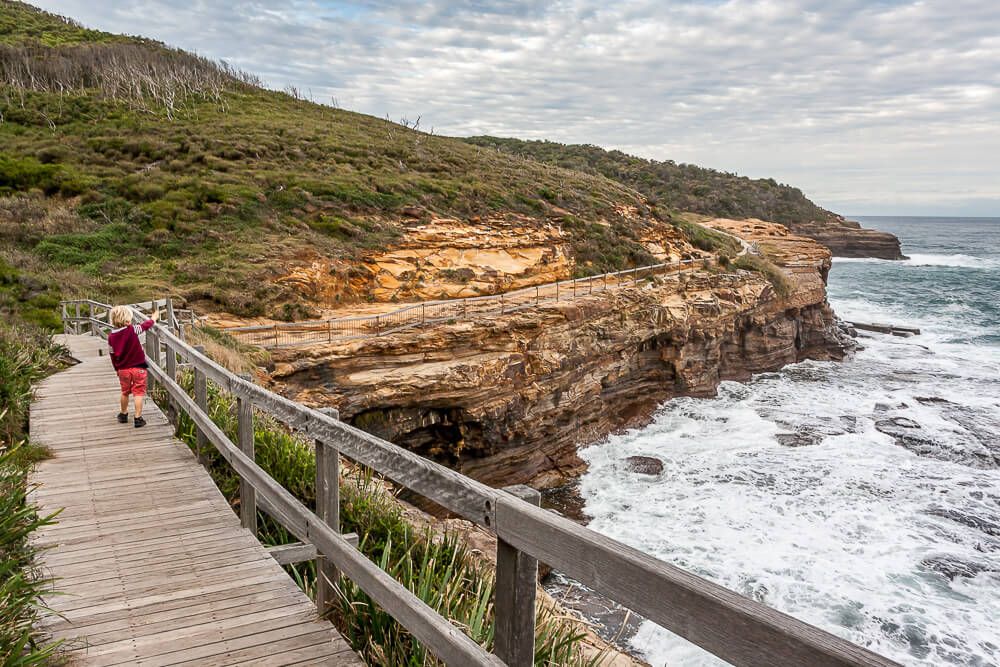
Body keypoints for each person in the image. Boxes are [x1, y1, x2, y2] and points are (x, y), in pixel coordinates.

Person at [107, 305, 158, 428]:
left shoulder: (111, 337)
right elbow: (145, 326)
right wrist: (153, 318)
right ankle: (138, 418)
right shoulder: (132, 329)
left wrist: (117, 369)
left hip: (123, 369)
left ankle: (123, 414)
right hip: (138, 368)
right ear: (127, 321)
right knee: (138, 392)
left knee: (125, 392)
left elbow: (112, 355)